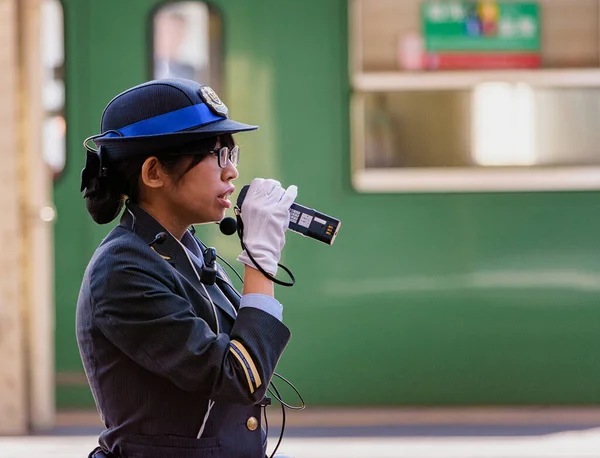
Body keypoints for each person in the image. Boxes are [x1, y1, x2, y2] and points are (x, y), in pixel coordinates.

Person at [76, 78, 297, 458]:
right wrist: (261, 262)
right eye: (217, 155)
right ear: (154, 173)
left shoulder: (185, 249)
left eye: (233, 155)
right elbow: (239, 377)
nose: (231, 173)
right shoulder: (124, 268)